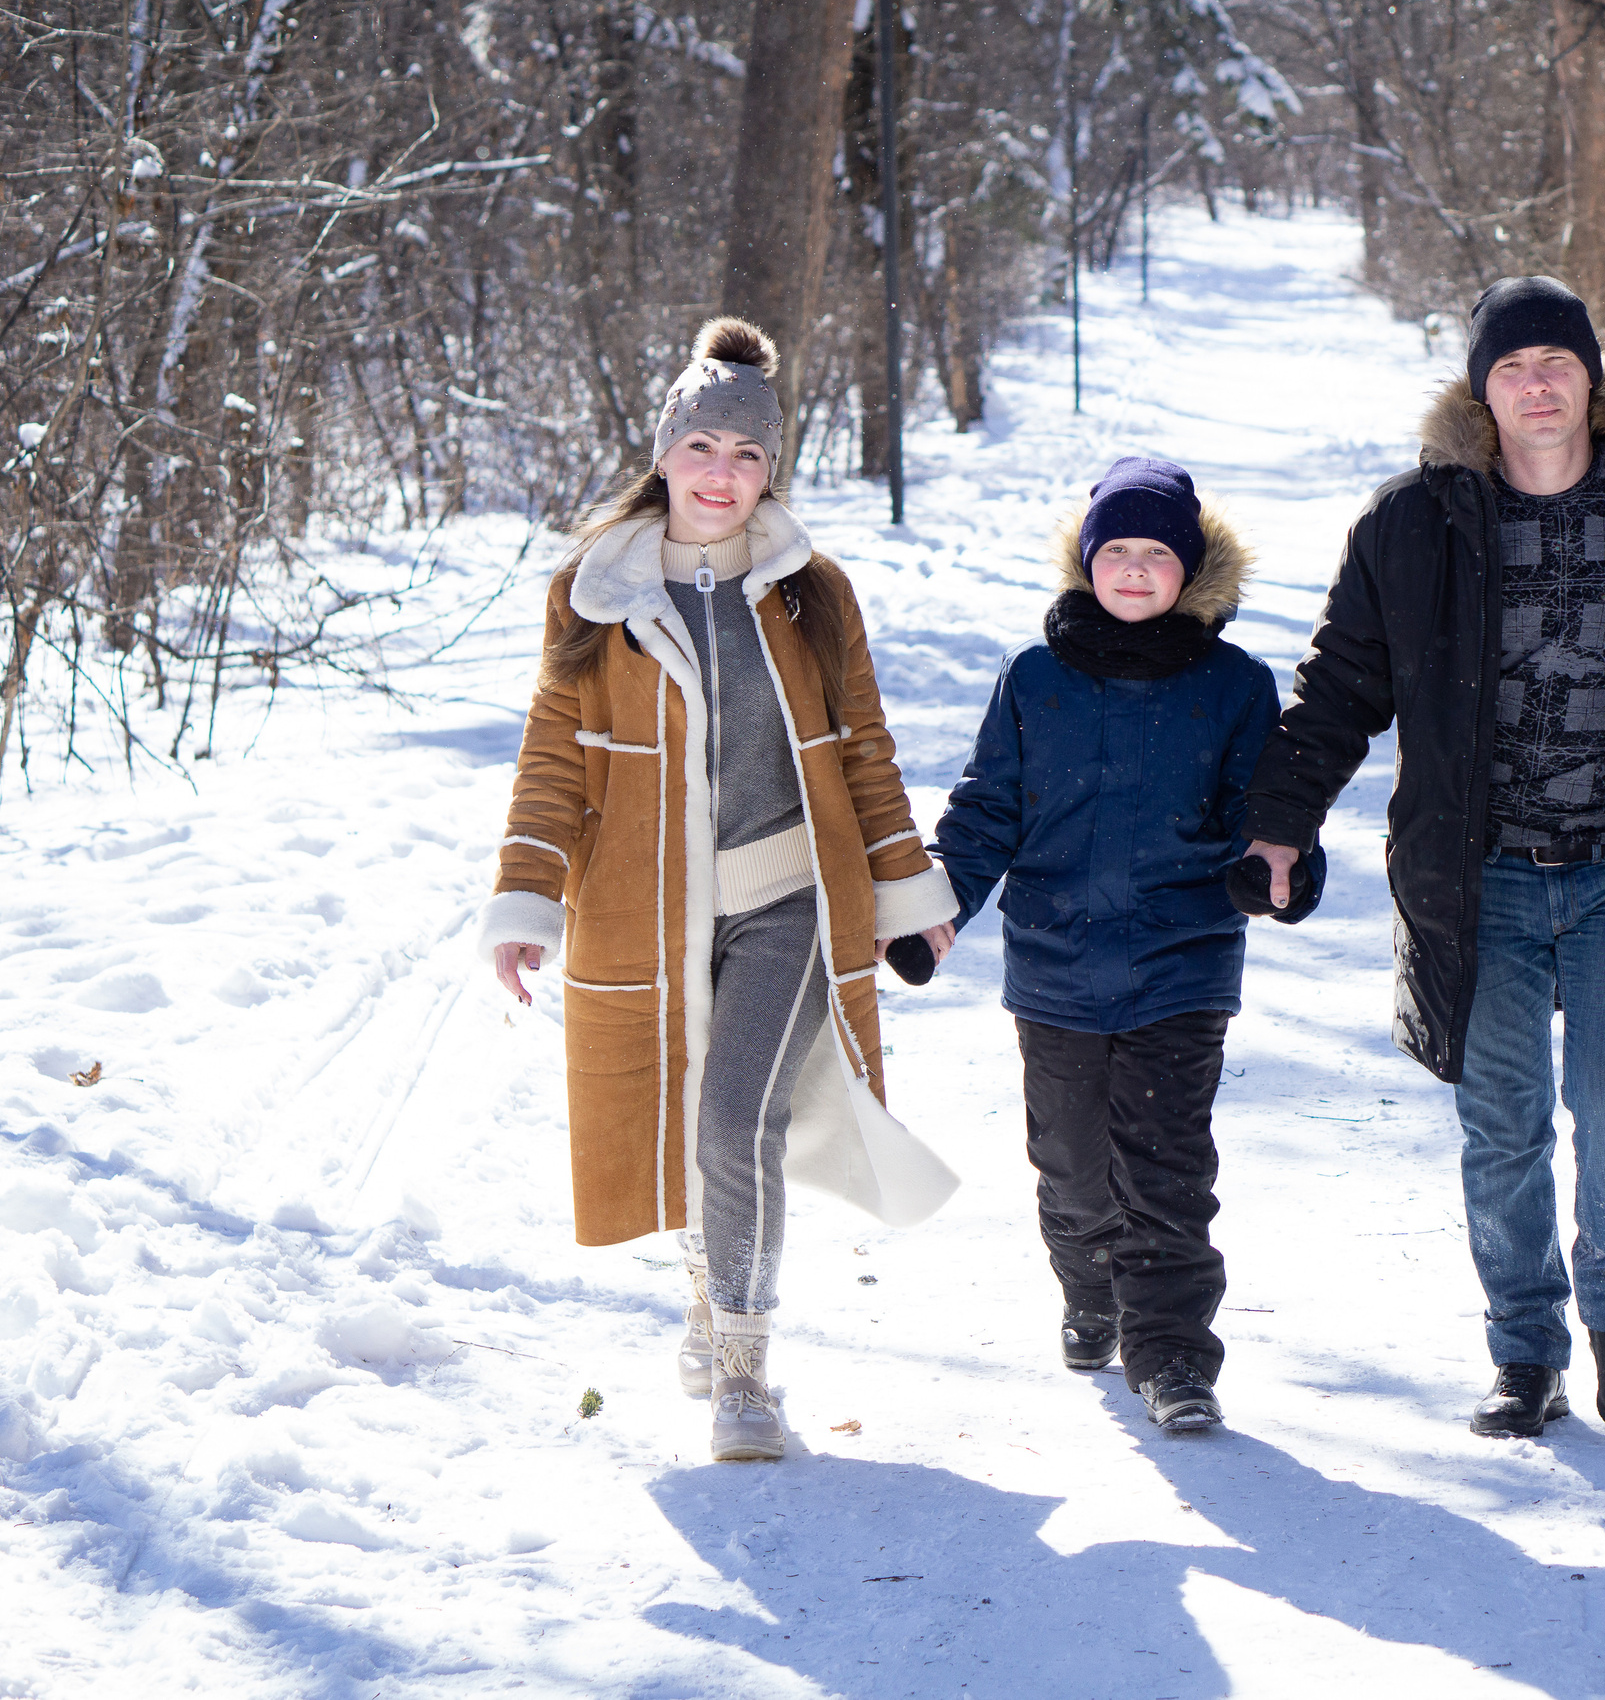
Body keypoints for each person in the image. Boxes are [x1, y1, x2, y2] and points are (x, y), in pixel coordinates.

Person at [1237, 277, 1605, 1438]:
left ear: (1591, 379)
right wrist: (1281, 822)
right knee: (1502, 1118)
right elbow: (1341, 688)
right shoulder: (1413, 522)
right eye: (1510, 367)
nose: (1535, 384)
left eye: (1555, 362)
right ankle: (1525, 1350)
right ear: (1479, 390)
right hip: (1474, 874)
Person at [475, 318, 962, 1463]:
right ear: (665, 452)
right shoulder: (593, 593)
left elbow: (865, 751)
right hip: (646, 904)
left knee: (740, 1114)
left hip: (788, 893)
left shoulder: (810, 592)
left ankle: (742, 1367)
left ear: (771, 468)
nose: (722, 475)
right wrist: (526, 899)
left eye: (748, 456)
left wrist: (906, 884)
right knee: (687, 1122)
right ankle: (706, 1285)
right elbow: (554, 758)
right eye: (703, 447)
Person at [926, 457, 1318, 1433]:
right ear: (1087, 562)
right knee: (1067, 1161)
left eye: (1157, 555)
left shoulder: (1233, 686)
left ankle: (1175, 1357)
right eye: (1118, 552)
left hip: (1182, 967)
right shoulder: (1035, 678)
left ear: (1190, 571)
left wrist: (1277, 869)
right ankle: (1088, 1286)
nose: (1136, 571)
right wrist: (938, 903)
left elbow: (1259, 814)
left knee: (1167, 1168)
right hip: (1053, 966)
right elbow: (984, 812)